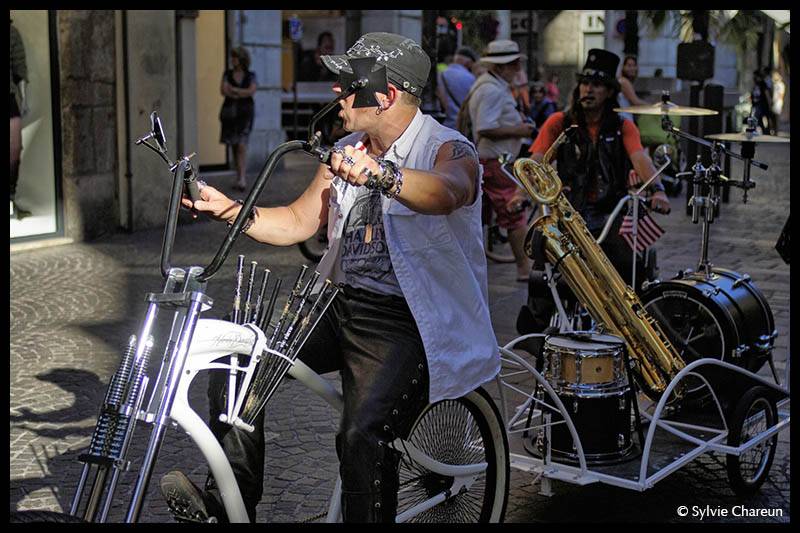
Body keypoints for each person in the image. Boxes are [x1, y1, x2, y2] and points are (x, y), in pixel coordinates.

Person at [159, 32, 500, 523]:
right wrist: (229, 209)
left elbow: (451, 190)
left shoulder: (447, 147)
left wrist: (384, 176)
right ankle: (228, 504)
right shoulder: (347, 148)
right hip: (339, 303)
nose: (335, 96)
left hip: (410, 319)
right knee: (235, 353)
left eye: (345, 85)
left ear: (382, 95)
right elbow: (299, 221)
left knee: (363, 435)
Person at [510, 48, 671, 332]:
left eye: (596, 85)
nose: (588, 89)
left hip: (612, 211)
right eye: (585, 83)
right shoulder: (560, 122)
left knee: (629, 263)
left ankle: (632, 328)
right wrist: (521, 194)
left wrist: (657, 190)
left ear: (609, 92)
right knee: (543, 263)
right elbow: (536, 162)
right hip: (571, 212)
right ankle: (537, 333)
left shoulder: (623, 126)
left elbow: (640, 158)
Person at [467, 39, 535, 281]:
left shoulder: (490, 87)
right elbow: (486, 127)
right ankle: (524, 268)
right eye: (514, 64)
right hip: (495, 160)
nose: (517, 69)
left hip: (493, 159)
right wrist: (520, 131)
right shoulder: (492, 91)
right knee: (514, 211)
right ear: (503, 66)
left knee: (484, 216)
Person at [220, 46, 258, 191]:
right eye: (232, 57)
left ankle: (242, 178)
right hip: (230, 114)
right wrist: (241, 92)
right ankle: (239, 176)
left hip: (245, 113)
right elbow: (223, 90)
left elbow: (251, 91)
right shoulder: (227, 74)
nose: (232, 60)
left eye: (235, 57)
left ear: (241, 59)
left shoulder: (250, 75)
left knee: (242, 144)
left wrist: (234, 90)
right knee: (234, 146)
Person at [10, 18, 30, 220]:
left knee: (14, 149)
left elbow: (19, 67)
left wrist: (24, 99)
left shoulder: (11, 33)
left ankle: (10, 197)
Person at [435, 46, 477, 129]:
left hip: (445, 124)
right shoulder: (470, 78)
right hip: (463, 126)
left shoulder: (441, 74)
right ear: (468, 62)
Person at [617, 55, 648, 122]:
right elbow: (635, 102)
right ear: (623, 67)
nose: (632, 68)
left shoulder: (624, 81)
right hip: (624, 119)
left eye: (634, 65)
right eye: (629, 65)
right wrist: (654, 106)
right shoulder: (624, 81)